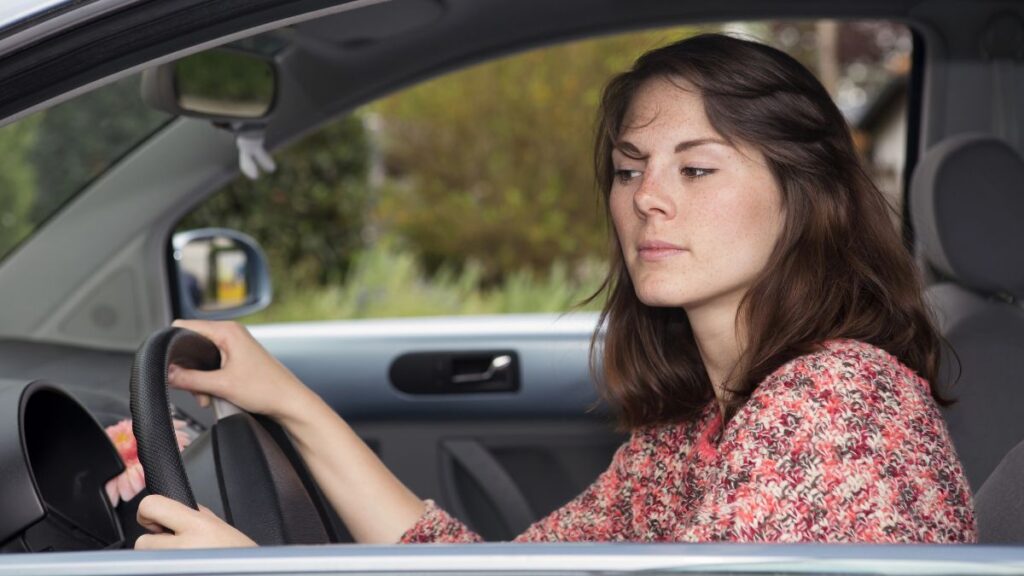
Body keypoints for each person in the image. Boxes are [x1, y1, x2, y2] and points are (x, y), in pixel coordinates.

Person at [133, 33, 976, 548]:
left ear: (805, 192)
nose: (647, 197)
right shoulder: (691, 436)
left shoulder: (838, 402)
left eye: (696, 167)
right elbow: (484, 568)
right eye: (627, 169)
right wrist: (288, 401)